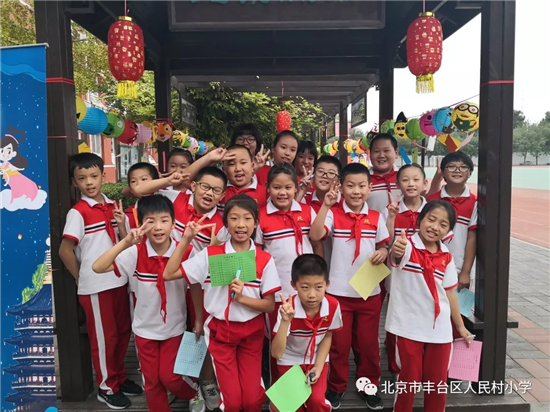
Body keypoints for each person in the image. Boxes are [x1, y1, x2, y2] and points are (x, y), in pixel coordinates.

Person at [163, 194, 282, 412]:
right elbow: (169, 274)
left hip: (252, 332)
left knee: (253, 400)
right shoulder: (210, 255)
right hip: (221, 332)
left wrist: (243, 298)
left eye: (247, 218)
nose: (241, 224)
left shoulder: (264, 259)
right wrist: (186, 239)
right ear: (225, 223)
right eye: (234, 218)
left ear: (256, 223)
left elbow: (269, 305)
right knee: (233, 402)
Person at [92, 195, 208, 412]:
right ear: (141, 224)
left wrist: (199, 319)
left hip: (174, 327)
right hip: (144, 330)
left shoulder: (186, 251)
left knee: (171, 377)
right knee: (152, 383)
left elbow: (195, 286)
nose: (158, 227)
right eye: (150, 221)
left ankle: (193, 391)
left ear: (174, 223)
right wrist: (126, 241)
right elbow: (98, 267)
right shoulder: (135, 252)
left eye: (164, 220)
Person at [58, 153, 142, 410]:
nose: (89, 182)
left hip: (119, 280)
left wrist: (122, 225)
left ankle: (119, 378)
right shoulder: (78, 212)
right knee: (105, 338)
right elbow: (65, 250)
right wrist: (80, 278)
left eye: (94, 176)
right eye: (82, 178)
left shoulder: (113, 204)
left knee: (122, 333)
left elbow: (125, 241)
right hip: (96, 286)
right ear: (74, 182)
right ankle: (106, 387)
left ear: (103, 176)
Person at [309, 163, 390, 410]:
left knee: (368, 345)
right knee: (338, 345)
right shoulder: (333, 213)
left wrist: (383, 252)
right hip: (338, 292)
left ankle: (369, 386)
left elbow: (383, 245)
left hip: (369, 292)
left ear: (370, 188)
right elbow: (315, 235)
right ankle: (336, 386)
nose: (356, 191)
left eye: (361, 186)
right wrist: (325, 205)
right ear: (341, 187)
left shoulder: (376, 217)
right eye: (350, 186)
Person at [386, 200, 472, 412]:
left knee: (437, 384)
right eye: (431, 219)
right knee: (408, 380)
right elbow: (396, 255)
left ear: (449, 231)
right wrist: (397, 249)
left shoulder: (446, 257)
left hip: (439, 330)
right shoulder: (407, 246)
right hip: (408, 328)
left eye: (443, 224)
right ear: (420, 220)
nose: (435, 227)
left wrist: (460, 327)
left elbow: (450, 294)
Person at [271, 254, 343, 412]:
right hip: (289, 359)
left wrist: (318, 366)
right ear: (293, 285)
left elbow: (327, 335)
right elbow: (276, 353)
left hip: (316, 357)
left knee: (316, 402)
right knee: (289, 408)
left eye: (318, 287)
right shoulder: (287, 309)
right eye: (305, 287)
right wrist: (285, 321)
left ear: (327, 284)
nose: (312, 294)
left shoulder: (333, 305)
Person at [381, 163, 429, 377]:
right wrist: (391, 217)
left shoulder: (431, 211)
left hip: (423, 276)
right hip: (398, 276)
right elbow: (387, 241)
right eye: (405, 180)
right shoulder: (391, 209)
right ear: (398, 184)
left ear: (424, 183)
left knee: (421, 315)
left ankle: (419, 361)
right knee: (396, 316)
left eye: (416, 179)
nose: (411, 184)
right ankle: (395, 364)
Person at [427, 152, 477, 292]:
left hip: (459, 267)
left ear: (470, 173)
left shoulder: (474, 202)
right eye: (451, 166)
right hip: (431, 265)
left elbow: (472, 238)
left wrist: (466, 272)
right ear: (443, 172)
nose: (457, 170)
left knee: (457, 305)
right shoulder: (431, 200)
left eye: (463, 167)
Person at [218, 144, 267, 213]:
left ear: (252, 166)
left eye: (243, 163)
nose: (238, 169)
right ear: (224, 170)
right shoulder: (219, 192)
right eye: (231, 164)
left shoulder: (265, 193)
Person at [367, 133, 401, 213]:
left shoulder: (404, 177)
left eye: (386, 151)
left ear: (396, 153)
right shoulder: (363, 179)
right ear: (370, 154)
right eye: (376, 151)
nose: (381, 155)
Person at [124, 162, 160, 229]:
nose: (139, 184)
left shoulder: (169, 202)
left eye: (144, 179)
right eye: (133, 181)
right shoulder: (128, 214)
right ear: (130, 189)